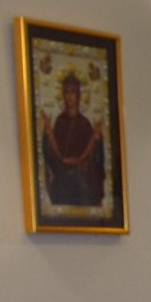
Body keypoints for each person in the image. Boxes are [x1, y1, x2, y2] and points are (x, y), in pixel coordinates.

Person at [41, 74, 103, 207]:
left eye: (73, 92)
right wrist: (47, 134)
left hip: (81, 180)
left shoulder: (85, 124)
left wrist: (97, 140)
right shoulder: (60, 122)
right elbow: (52, 156)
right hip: (62, 178)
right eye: (66, 92)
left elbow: (94, 159)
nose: (69, 96)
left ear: (79, 95)